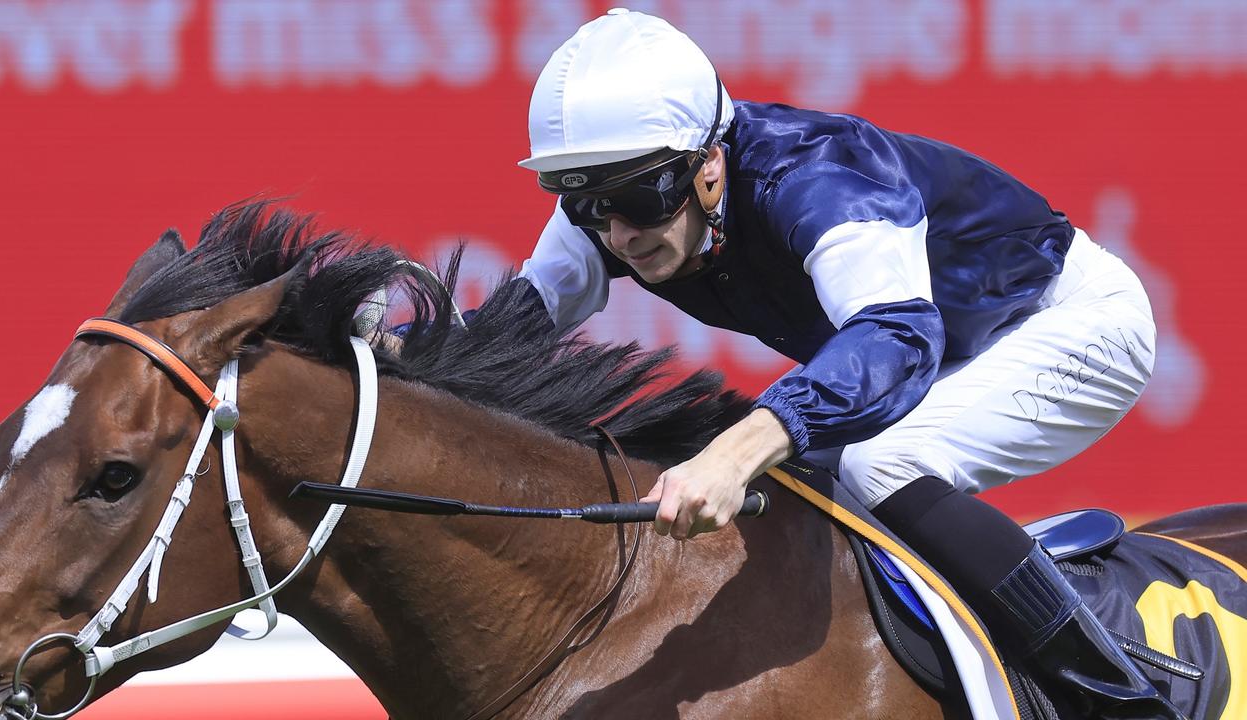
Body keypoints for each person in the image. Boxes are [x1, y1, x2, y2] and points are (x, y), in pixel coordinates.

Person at [473, 8, 1181, 719]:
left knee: (877, 466)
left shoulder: (819, 176)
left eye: (638, 196)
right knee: (802, 478)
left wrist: (734, 450)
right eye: (583, 202)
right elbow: (500, 332)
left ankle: (1115, 698)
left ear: (710, 163)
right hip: (950, 352)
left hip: (1071, 322)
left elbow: (898, 340)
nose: (618, 230)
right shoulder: (617, 205)